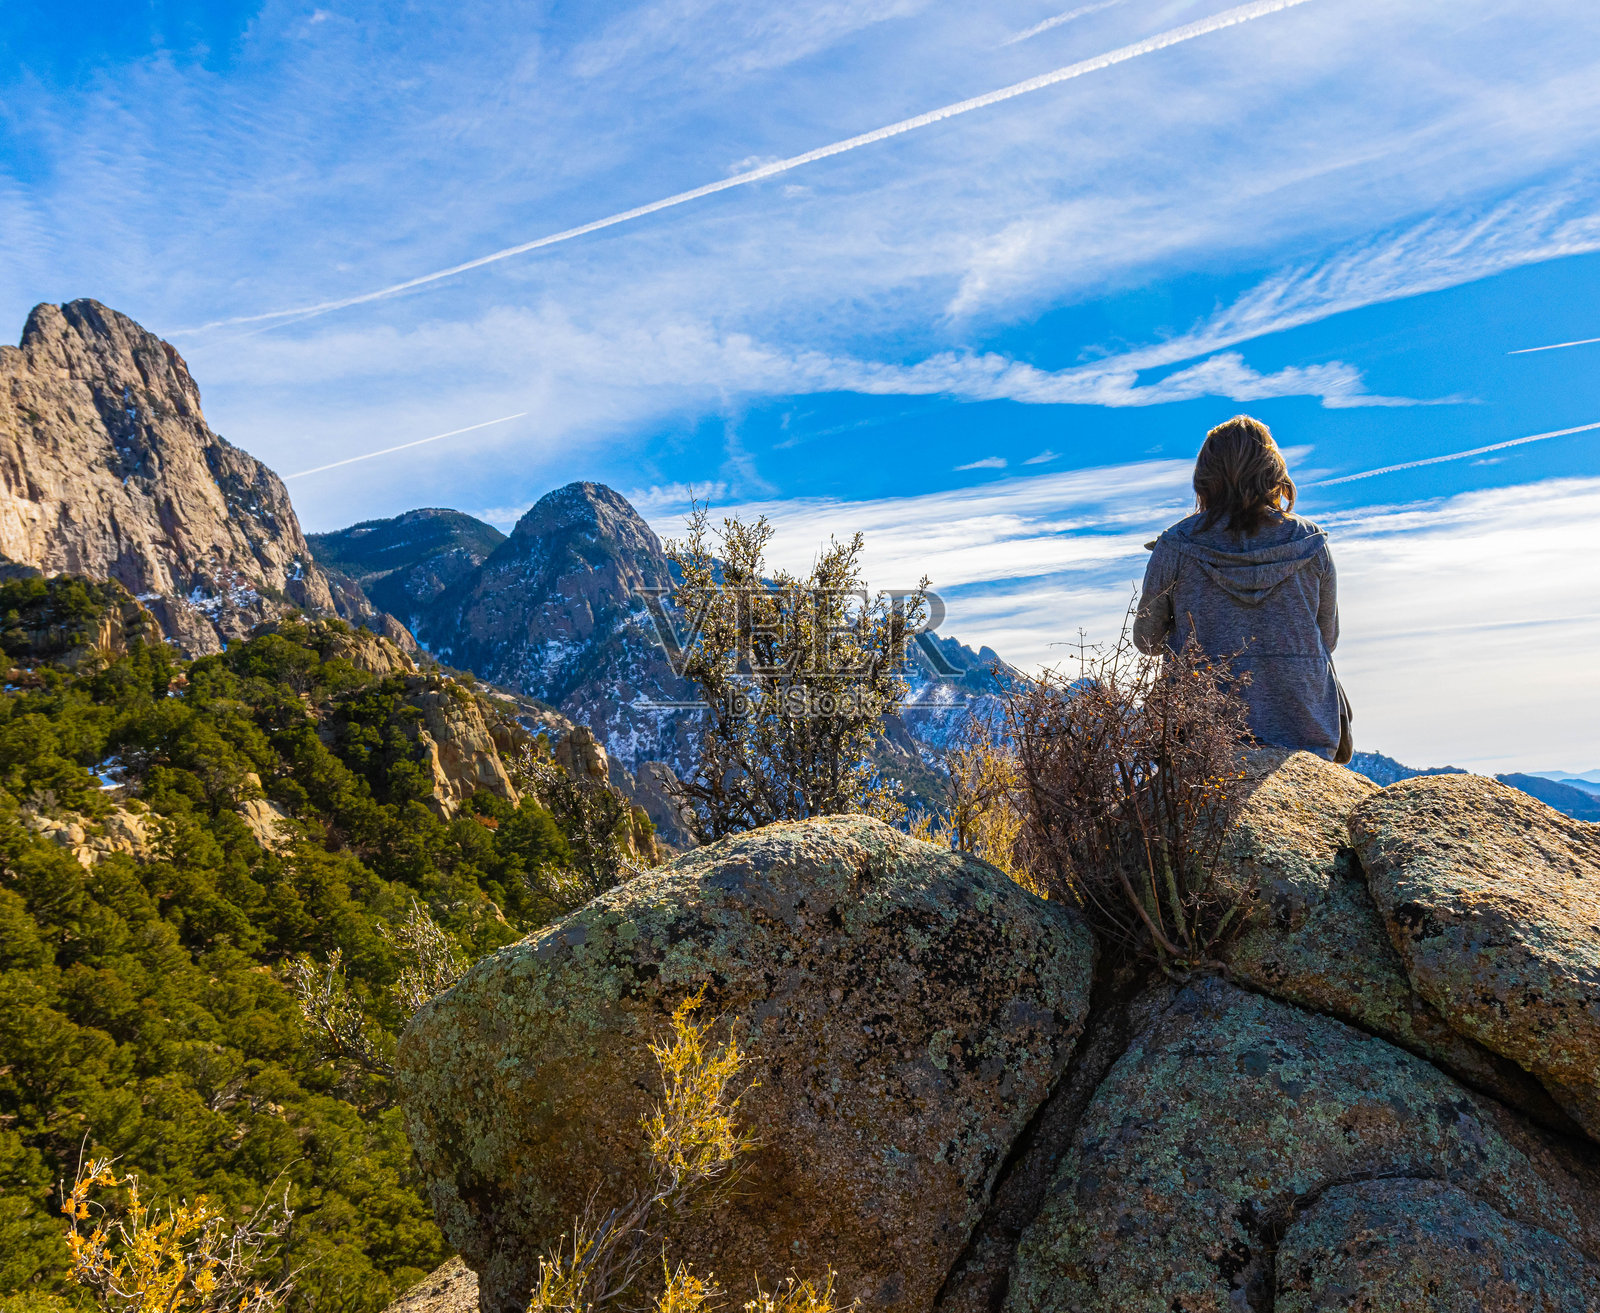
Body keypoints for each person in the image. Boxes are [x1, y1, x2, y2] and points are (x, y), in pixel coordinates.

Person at [1133, 414, 1351, 762]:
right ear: (1273, 472)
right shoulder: (1310, 543)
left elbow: (1147, 641)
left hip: (1202, 737)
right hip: (1307, 733)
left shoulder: (1175, 545)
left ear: (1206, 476)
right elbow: (1327, 639)